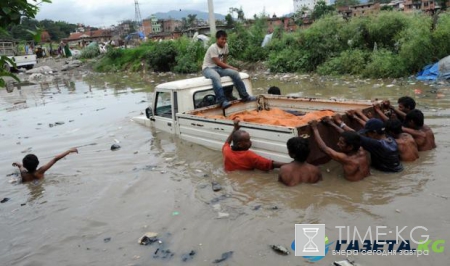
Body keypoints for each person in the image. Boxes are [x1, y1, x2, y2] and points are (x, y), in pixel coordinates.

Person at [202, 30, 256, 109]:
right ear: (217, 39)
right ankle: (222, 101)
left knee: (235, 73)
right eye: (222, 39)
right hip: (208, 68)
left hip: (218, 68)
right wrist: (231, 67)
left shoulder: (225, 46)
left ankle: (245, 96)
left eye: (225, 39)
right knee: (216, 77)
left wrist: (229, 69)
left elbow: (224, 60)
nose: (224, 41)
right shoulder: (213, 48)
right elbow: (218, 62)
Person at [337, 115, 403, 172]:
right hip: (397, 168)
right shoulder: (390, 138)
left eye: (367, 133)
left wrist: (340, 122)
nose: (366, 135)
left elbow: (353, 135)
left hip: (386, 172)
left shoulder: (376, 144)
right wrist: (355, 117)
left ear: (374, 132)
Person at [12, 148, 78, 183]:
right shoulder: (40, 171)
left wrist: (16, 163)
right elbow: (55, 159)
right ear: (37, 163)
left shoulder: (23, 174)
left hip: (27, 182)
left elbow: (20, 166)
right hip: (39, 183)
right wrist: (69, 151)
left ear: (25, 165)